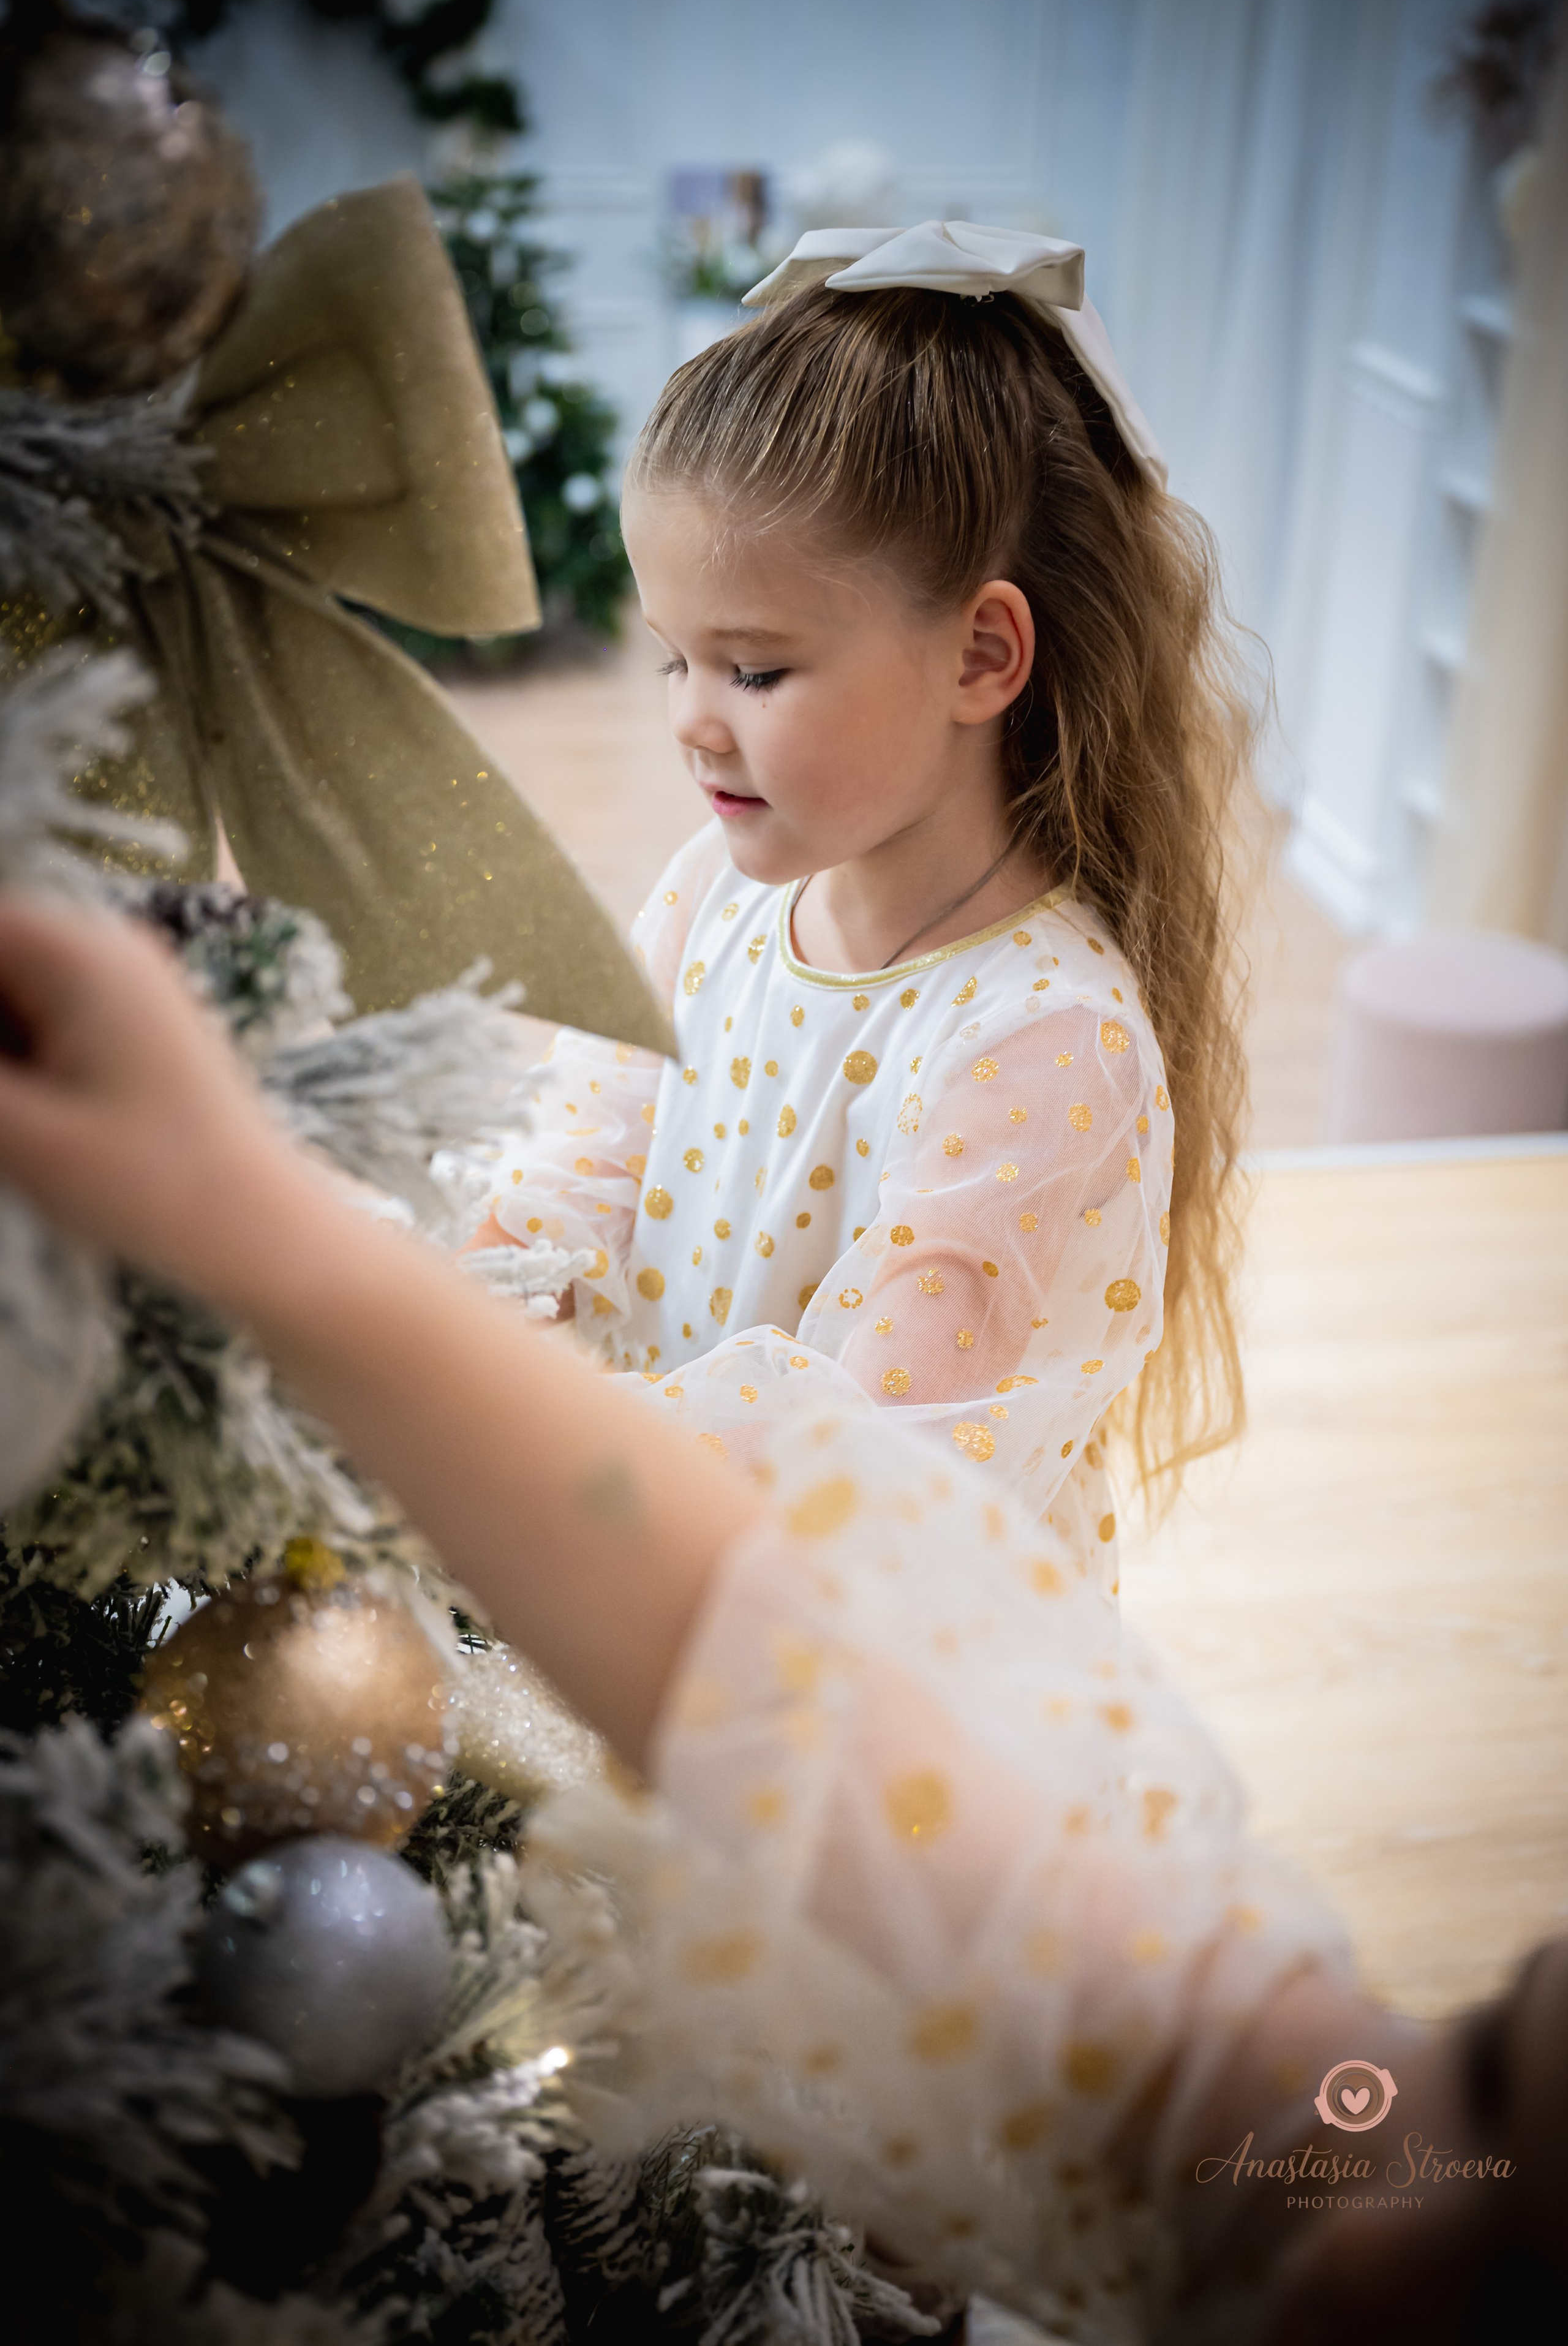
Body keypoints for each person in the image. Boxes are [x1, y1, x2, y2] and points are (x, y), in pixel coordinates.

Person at [0, 891, 1561, 2344]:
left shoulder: (1040, 1039)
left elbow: (830, 1524)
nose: (1380, 2172)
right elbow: (746, 1656)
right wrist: (264, 1226)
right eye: (1478, 2067)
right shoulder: (1302, 2136)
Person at [468, 226, 1250, 1600]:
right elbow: (589, 1140)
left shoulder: (1042, 1041)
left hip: (857, 1660)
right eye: (672, 657)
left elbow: (864, 1458)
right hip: (646, 1553)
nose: (690, 722)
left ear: (980, 653)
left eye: (755, 670)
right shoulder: (708, 894)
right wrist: (493, 1285)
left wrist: (543, 1445)